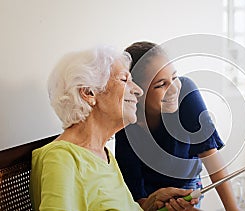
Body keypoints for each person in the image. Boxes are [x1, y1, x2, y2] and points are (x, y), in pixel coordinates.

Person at [30, 46, 199, 211]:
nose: (138, 91)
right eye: (125, 80)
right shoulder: (62, 158)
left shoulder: (103, 154)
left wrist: (152, 203)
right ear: (89, 92)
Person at [115, 41, 239, 210]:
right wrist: (157, 204)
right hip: (149, 195)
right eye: (161, 85)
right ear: (136, 91)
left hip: (187, 188)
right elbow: (135, 196)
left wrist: (234, 209)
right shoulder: (125, 119)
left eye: (174, 77)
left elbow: (211, 156)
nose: (174, 89)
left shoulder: (185, 91)